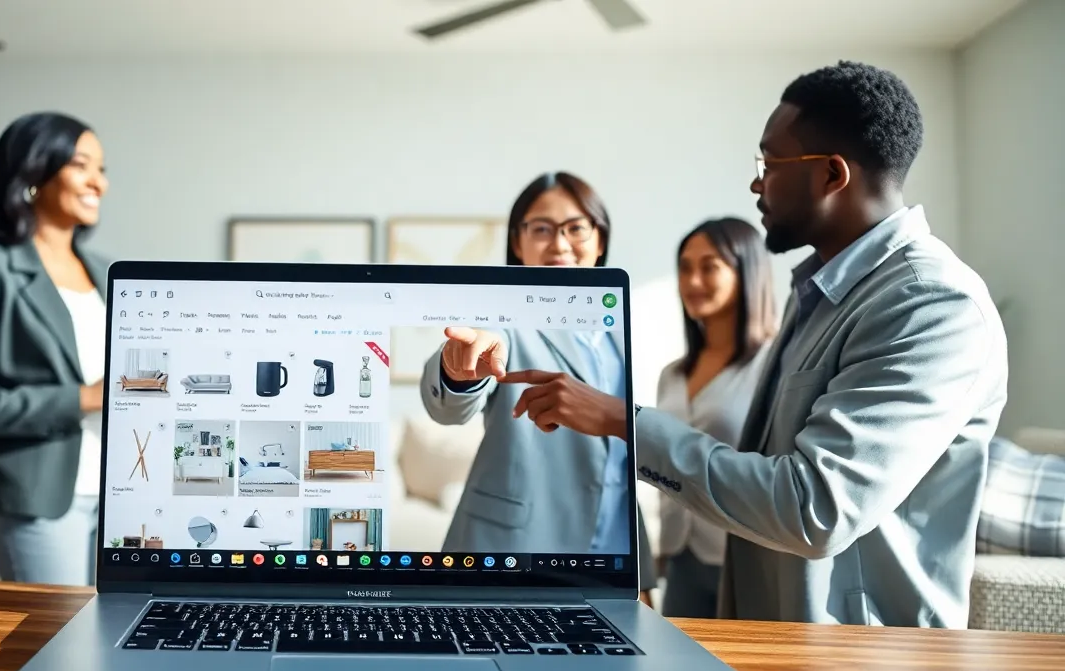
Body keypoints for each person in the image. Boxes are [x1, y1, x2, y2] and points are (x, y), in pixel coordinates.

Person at [499, 61, 1008, 627]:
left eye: (769, 163)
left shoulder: (930, 302)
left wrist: (625, 422)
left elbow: (815, 509)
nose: (756, 183)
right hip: (772, 630)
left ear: (831, 175)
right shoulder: (816, 294)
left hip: (864, 657)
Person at [421, 171, 655, 604]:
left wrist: (642, 569)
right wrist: (457, 369)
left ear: (600, 239)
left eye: (575, 228)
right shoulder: (500, 318)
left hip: (612, 557)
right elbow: (451, 404)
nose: (560, 244)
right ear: (518, 241)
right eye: (542, 229)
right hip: (513, 557)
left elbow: (623, 455)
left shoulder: (623, 329)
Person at [0, 111, 111, 586]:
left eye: (102, 169)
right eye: (81, 165)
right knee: (61, 632)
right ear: (33, 175)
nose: (98, 182)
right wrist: (84, 397)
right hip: (36, 499)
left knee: (117, 628)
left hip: (119, 497)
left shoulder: (107, 271)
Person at [655, 217, 777, 618]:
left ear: (747, 272)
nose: (693, 281)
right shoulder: (672, 374)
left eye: (709, 267)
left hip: (743, 556)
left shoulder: (773, 364)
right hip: (680, 557)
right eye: (685, 268)